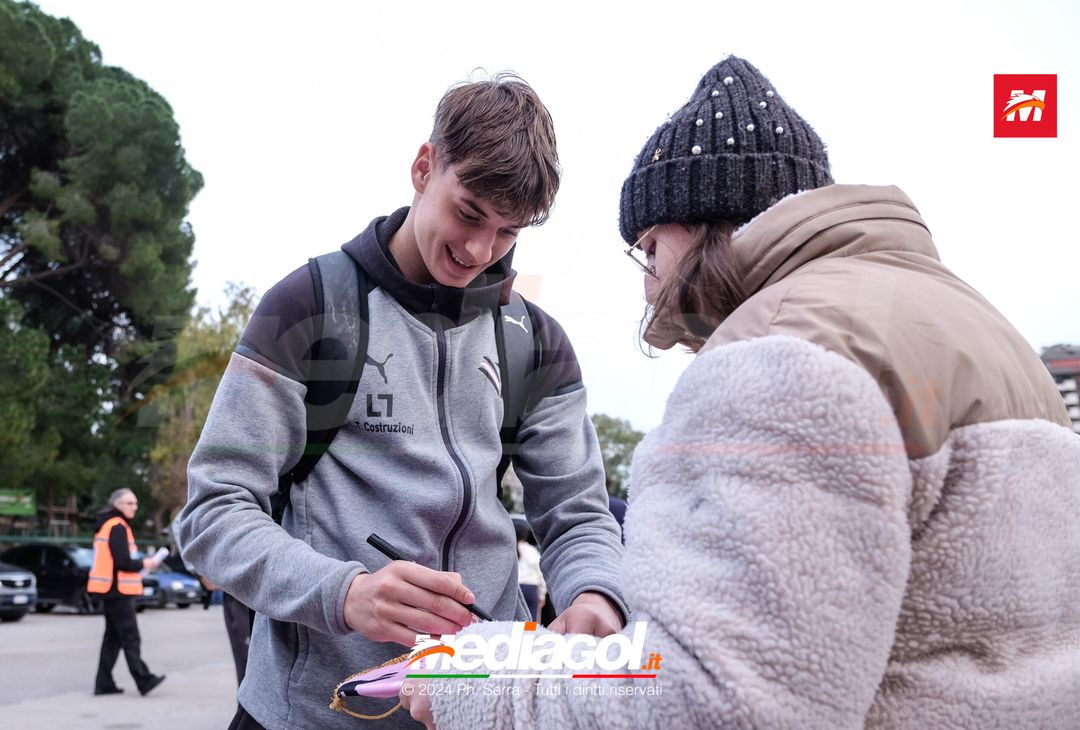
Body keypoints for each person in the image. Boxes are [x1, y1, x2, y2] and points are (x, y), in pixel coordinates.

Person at [400, 56, 1080, 728]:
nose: (646, 282)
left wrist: (480, 675)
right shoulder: (993, 337)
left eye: (648, 247)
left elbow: (722, 704)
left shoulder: (781, 358)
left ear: (697, 224)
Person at [178, 71, 627, 730]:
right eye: (469, 212)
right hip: (310, 713)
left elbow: (578, 516)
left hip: (477, 707)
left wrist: (595, 595)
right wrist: (345, 592)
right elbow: (212, 513)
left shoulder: (537, 343)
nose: (480, 249)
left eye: (509, 233)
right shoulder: (304, 307)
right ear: (424, 167)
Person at [89, 488, 166, 697]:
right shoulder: (117, 526)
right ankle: (144, 679)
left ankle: (103, 683)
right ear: (117, 504)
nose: (134, 507)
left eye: (135, 503)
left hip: (111, 590)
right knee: (131, 637)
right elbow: (122, 562)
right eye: (129, 503)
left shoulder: (109, 524)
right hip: (118, 591)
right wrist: (146, 562)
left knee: (112, 639)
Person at [514, 520, 545, 622]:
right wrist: (542, 594)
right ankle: (529, 637)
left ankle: (515, 637)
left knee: (515, 619)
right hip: (531, 589)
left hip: (515, 589)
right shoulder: (531, 550)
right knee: (531, 618)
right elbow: (540, 572)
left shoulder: (508, 549)